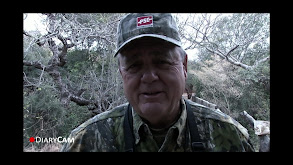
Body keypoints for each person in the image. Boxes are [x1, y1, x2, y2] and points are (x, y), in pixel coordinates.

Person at [61, 13, 255, 152]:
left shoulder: (230, 136)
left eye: (162, 61)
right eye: (135, 65)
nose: (149, 76)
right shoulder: (85, 141)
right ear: (122, 73)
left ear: (184, 66)